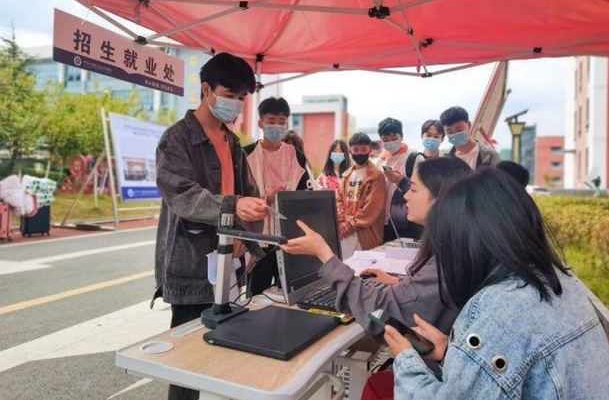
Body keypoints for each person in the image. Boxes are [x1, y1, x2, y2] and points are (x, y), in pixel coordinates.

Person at [384, 169, 609, 399]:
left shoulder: (499, 307)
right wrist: (449, 351)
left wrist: (406, 359)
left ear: (468, 239)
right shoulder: (559, 281)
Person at [154, 53, 268, 400]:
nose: (236, 104)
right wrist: (233, 207)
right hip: (192, 265)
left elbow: (249, 192)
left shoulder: (232, 142)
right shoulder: (177, 139)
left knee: (222, 355)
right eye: (230, 95)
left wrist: (246, 235)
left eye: (242, 97)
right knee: (187, 364)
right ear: (207, 90)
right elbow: (182, 195)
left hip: (228, 264)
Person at [281, 157, 472, 337]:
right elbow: (424, 294)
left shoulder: (446, 264)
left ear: (442, 198)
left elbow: (379, 312)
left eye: (413, 190)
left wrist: (325, 255)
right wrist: (398, 283)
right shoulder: (457, 250)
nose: (406, 196)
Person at [243, 98, 311, 294]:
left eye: (282, 121)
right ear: (261, 123)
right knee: (256, 293)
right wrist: (268, 198)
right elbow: (240, 197)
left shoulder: (295, 155)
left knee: (289, 290)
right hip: (257, 237)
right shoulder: (246, 154)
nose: (277, 126)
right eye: (271, 121)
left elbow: (304, 195)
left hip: (288, 236)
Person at [336, 132, 386, 256]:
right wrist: (341, 221)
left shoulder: (376, 176)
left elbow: (372, 207)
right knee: (345, 263)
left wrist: (349, 225)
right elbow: (338, 200)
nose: (359, 153)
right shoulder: (346, 175)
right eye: (356, 150)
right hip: (345, 232)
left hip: (366, 234)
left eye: (363, 150)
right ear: (350, 151)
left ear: (369, 149)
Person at [378, 118, 421, 242]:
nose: (390, 142)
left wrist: (401, 181)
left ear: (401, 136)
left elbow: (422, 189)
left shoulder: (414, 158)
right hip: (383, 222)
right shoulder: (380, 161)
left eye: (393, 138)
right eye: (385, 140)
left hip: (406, 221)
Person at [440, 106, 501, 170]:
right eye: (450, 132)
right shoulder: (444, 158)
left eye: (459, 130)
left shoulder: (490, 156)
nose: (455, 134)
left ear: (469, 125)